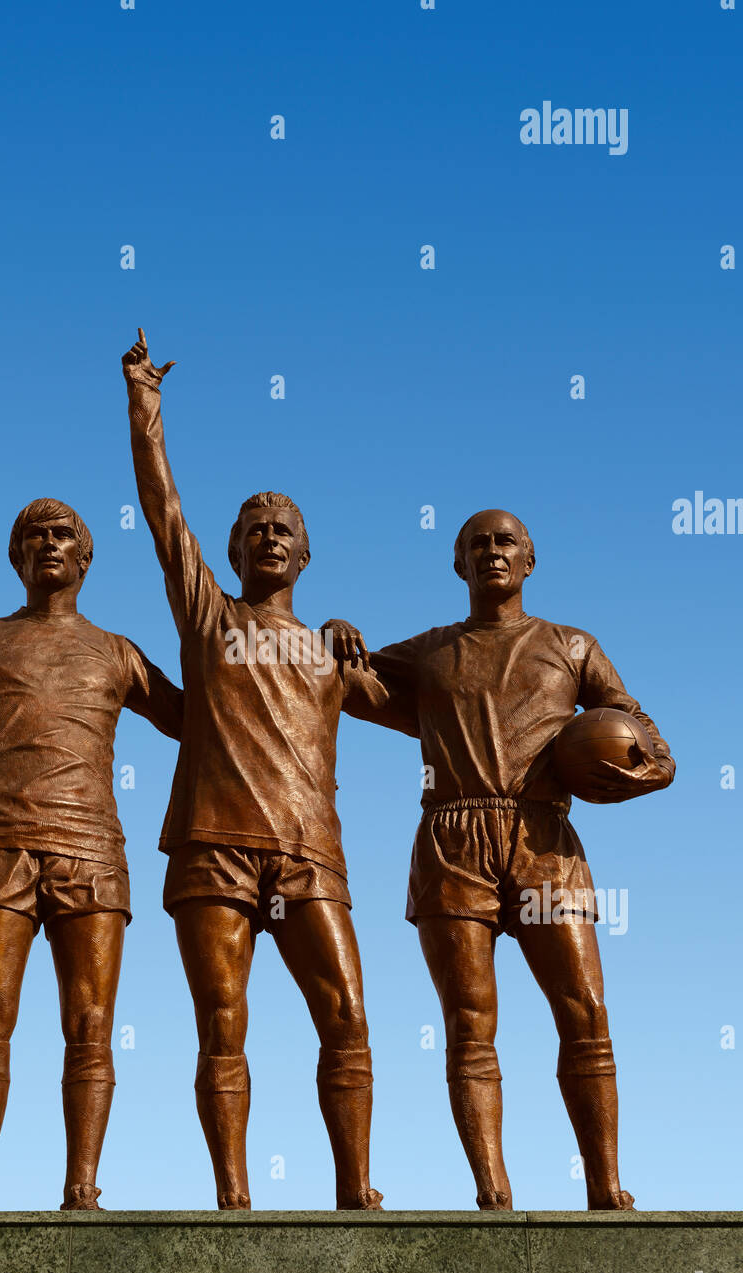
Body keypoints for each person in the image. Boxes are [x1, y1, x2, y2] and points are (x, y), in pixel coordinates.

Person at [122, 329, 411, 1210]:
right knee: (223, 1023)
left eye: (284, 529)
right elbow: (165, 512)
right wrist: (145, 405)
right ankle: (235, 1197)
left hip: (307, 851)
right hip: (212, 847)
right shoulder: (209, 618)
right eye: (253, 530)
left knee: (349, 1019)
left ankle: (356, 1188)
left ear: (307, 554)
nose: (269, 538)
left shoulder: (332, 657)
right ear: (236, 550)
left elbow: (441, 715)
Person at [332, 509, 674, 1210]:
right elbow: (353, 684)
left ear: (530, 560)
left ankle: (605, 1185)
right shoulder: (431, 652)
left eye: (506, 542)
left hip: (543, 840)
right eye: (477, 544)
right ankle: (492, 1191)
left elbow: (654, 749)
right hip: (453, 840)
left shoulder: (572, 645)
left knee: (586, 1012)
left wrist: (639, 773)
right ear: (459, 564)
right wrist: (335, 634)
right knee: (469, 1021)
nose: (493, 552)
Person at [0, 497, 183, 1211]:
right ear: (17, 558)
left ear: (85, 557)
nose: (48, 544)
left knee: (90, 1024)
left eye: (62, 535)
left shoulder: (118, 651)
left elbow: (200, 722)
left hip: (91, 852)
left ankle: (82, 1188)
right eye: (33, 536)